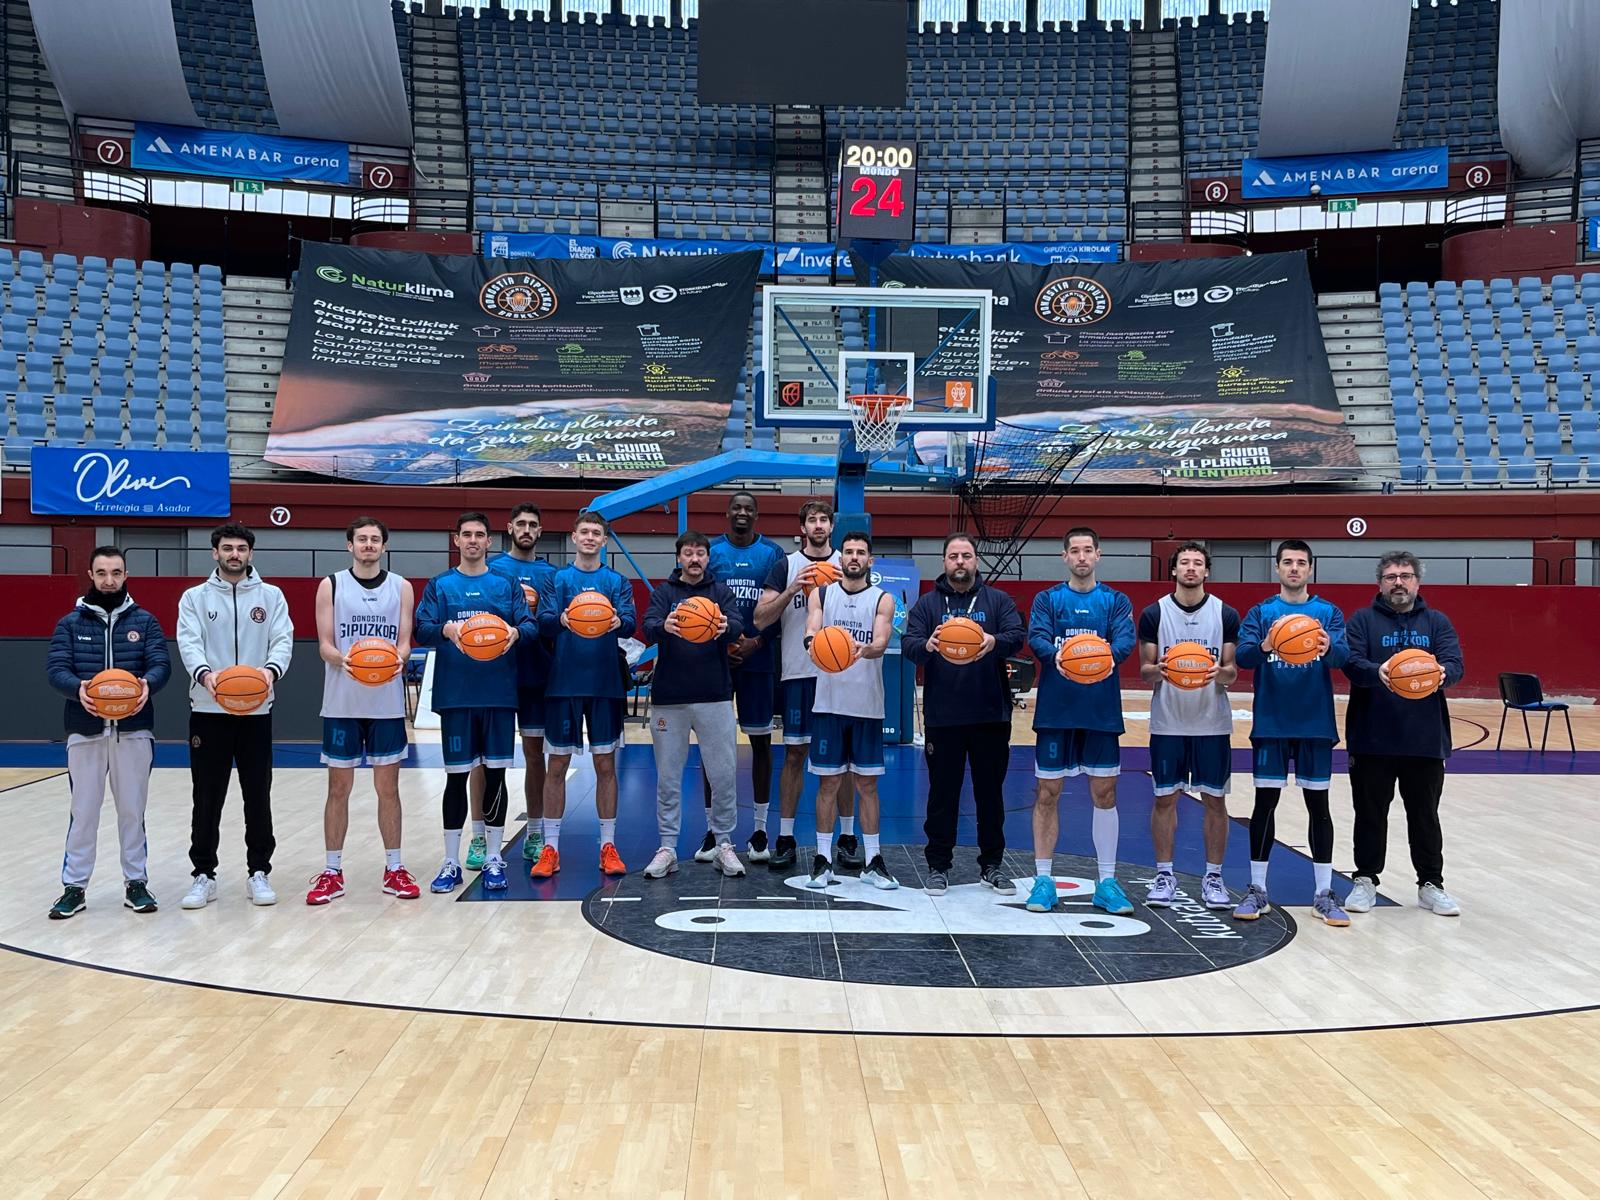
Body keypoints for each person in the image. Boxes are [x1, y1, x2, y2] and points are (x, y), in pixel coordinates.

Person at [45, 546, 171, 919]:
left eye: (116, 572)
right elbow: (56, 669)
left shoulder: (145, 621)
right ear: (91, 575)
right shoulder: (70, 623)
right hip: (84, 729)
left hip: (133, 729)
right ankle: (74, 887)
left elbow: (161, 664)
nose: (109, 580)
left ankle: (136, 883)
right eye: (102, 573)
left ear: (126, 574)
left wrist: (148, 683)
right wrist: (78, 688)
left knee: (132, 810)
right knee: (83, 812)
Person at [413, 511, 535, 894]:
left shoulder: (506, 584)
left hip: (498, 695)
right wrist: (445, 629)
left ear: (489, 541)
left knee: (496, 776)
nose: (472, 540)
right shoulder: (440, 585)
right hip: (457, 696)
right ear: (456, 540)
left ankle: (494, 858)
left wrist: (515, 632)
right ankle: (451, 861)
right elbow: (421, 629)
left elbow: (530, 625)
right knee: (456, 778)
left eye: (479, 534)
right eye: (466, 534)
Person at [176, 522, 294, 909]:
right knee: (206, 796)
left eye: (241, 548)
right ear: (215, 553)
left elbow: (283, 640)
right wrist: (205, 675)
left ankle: (258, 871)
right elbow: (189, 642)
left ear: (250, 554)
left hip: (257, 710)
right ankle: (203, 874)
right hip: (208, 708)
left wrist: (270, 672)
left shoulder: (271, 596)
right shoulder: (194, 598)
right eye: (227, 548)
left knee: (257, 793)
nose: (234, 554)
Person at [1235, 539, 1351, 927]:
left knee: (1319, 807)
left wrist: (1329, 647)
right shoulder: (1262, 612)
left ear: (1310, 569)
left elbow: (1343, 658)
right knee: (1264, 804)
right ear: (1277, 568)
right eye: (1288, 562)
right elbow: (1244, 656)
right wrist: (1267, 643)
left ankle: (1324, 893)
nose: (1294, 568)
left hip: (1315, 724)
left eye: (1301, 562)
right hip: (1272, 723)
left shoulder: (1328, 613)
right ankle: (1257, 889)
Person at [1342, 550, 1465, 917]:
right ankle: (1365, 879)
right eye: (1391, 576)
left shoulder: (1436, 622)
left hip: (1424, 739)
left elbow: (1455, 664)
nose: (1399, 582)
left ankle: (1431, 884)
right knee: (1369, 814)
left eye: (1405, 576)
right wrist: (1376, 671)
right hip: (1372, 737)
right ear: (1380, 583)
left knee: (1425, 815)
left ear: (1417, 582)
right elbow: (1350, 661)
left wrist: (1442, 673)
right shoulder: (1362, 620)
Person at [900, 532, 1024, 895]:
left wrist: (994, 641)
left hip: (990, 715)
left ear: (975, 561)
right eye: (953, 556)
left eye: (966, 556)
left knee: (990, 796)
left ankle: (992, 865)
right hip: (944, 717)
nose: (960, 562)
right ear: (944, 561)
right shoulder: (927, 605)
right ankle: (938, 866)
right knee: (942, 795)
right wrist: (926, 644)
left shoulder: (997, 600)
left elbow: (1017, 635)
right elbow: (908, 645)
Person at [307, 516, 418, 906]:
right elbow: (324, 645)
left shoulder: (401, 586)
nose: (368, 545)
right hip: (342, 702)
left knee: (388, 789)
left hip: (386, 703)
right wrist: (346, 660)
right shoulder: (331, 585)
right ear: (349, 545)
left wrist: (395, 658)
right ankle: (332, 872)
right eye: (362, 539)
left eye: (375, 539)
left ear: (384, 546)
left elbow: (404, 642)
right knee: (338, 789)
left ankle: (394, 868)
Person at [1025, 527, 1136, 917]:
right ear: (1065, 556)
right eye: (1075, 551)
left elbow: (1125, 641)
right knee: (1046, 794)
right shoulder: (1048, 599)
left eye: (1088, 550)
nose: (1082, 557)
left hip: (1100, 712)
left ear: (1098, 555)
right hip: (1056, 711)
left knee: (1105, 795)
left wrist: (1100, 657)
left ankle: (1107, 882)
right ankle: (1043, 880)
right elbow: (1038, 637)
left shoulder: (1116, 601)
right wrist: (1058, 656)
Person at [751, 500, 857, 871]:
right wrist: (793, 588)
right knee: (794, 755)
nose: (818, 525)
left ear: (832, 526)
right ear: (803, 528)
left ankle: (847, 837)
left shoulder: (848, 563)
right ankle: (785, 837)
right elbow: (760, 619)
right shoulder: (786, 565)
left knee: (844, 760)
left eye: (824, 519)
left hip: (841, 674)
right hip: (798, 673)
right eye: (812, 520)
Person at [533, 510, 637, 879]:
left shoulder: (616, 581)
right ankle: (550, 847)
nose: (590, 537)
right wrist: (561, 619)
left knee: (606, 766)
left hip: (605, 684)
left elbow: (631, 621)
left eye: (596, 533)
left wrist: (617, 621)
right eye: (584, 532)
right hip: (564, 683)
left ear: (604, 540)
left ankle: (608, 845)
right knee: (557, 766)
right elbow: (543, 621)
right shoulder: (557, 579)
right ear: (574, 537)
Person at [1136, 541, 1240, 911]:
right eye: (1185, 562)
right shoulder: (1154, 613)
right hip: (1169, 722)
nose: (1191, 568)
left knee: (1215, 801)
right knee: (1165, 799)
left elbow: (1231, 672)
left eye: (1198, 563)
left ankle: (1213, 877)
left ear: (1206, 571)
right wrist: (1161, 669)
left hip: (1212, 723)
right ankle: (1165, 875)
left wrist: (1219, 673)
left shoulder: (1225, 613)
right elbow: (1145, 671)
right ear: (1174, 570)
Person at [640, 531, 746, 879]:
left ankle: (723, 844)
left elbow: (738, 625)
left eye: (700, 553)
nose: (695, 558)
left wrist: (727, 626)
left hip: (714, 696)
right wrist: (664, 625)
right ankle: (667, 847)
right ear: (679, 558)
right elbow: (648, 626)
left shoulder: (721, 592)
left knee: (723, 775)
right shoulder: (665, 593)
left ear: (707, 558)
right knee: (668, 779)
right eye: (689, 553)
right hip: (670, 699)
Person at [804, 531, 897, 888]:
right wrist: (814, 643)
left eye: (861, 552)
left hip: (867, 706)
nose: (854, 557)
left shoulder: (882, 599)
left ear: (870, 561)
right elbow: (811, 631)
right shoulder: (821, 594)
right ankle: (822, 859)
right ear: (840, 558)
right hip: (829, 705)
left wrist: (861, 649)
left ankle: (873, 860)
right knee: (828, 783)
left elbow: (881, 641)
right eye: (849, 552)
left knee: (867, 785)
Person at [707, 492, 785, 862]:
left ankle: (760, 830)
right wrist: (721, 643)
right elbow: (699, 603)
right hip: (717, 659)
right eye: (736, 507)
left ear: (756, 515)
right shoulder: (712, 551)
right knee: (713, 747)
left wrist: (758, 642)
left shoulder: (772, 553)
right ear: (728, 513)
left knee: (761, 744)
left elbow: (782, 607)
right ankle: (713, 831)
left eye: (748, 508)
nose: (742, 512)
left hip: (759, 658)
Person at [483, 502, 558, 867]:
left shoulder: (550, 574)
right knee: (484, 760)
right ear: (510, 528)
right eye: (521, 524)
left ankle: (535, 832)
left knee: (534, 754)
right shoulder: (493, 568)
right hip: (496, 673)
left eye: (533, 524)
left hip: (535, 674)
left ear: (540, 531)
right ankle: (480, 836)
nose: (527, 529)